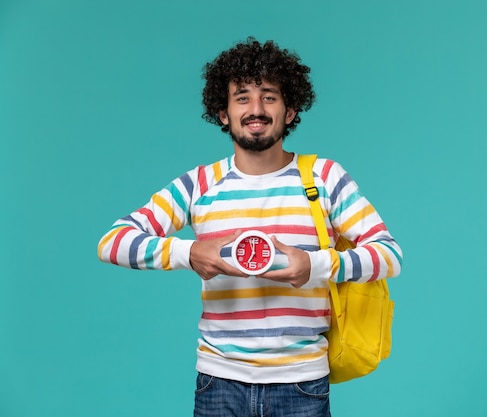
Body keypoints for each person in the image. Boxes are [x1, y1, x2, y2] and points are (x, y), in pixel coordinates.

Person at [97, 36, 403, 417]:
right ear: (223, 112)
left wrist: (316, 265)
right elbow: (112, 242)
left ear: (290, 110)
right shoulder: (199, 185)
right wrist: (188, 252)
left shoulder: (324, 177)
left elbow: (388, 254)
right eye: (242, 97)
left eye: (269, 96)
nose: (255, 109)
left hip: (302, 384)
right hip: (217, 383)